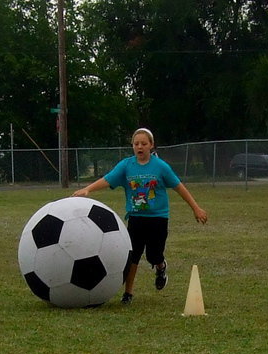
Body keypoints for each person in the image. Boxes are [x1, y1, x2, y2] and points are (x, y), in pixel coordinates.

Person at [73, 127, 208, 303]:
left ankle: (160, 267)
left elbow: (179, 187)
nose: (140, 147)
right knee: (133, 256)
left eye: (144, 143)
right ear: (132, 146)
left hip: (158, 218)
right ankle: (128, 293)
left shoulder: (160, 167)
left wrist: (196, 208)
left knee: (154, 255)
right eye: (136, 143)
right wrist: (88, 189)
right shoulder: (126, 165)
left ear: (151, 145)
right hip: (136, 218)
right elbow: (108, 178)